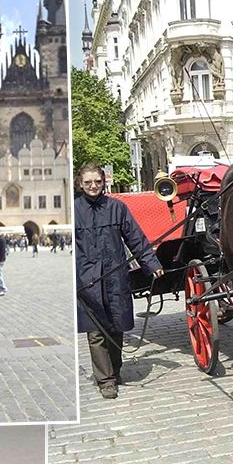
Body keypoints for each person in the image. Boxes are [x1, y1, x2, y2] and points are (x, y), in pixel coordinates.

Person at [75, 163, 164, 400]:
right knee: (95, 332)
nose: (93, 186)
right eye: (88, 182)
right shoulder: (73, 210)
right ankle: (105, 380)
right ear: (80, 184)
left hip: (115, 278)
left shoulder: (117, 208)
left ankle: (115, 369)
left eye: (97, 181)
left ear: (103, 181)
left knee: (116, 326)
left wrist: (152, 264)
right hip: (87, 281)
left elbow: (135, 238)